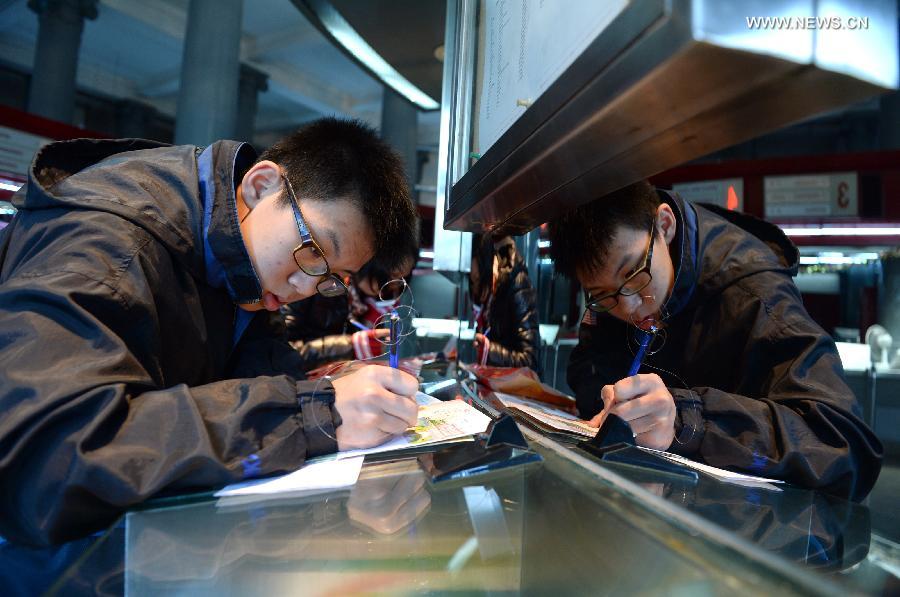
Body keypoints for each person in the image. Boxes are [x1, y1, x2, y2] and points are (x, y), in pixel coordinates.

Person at [0, 118, 421, 546]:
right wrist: (311, 414)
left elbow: (245, 370)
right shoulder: (107, 250)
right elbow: (45, 467)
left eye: (332, 277)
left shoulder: (234, 265)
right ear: (261, 186)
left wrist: (325, 389)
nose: (305, 287)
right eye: (313, 251)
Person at [548, 180, 882, 500]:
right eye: (602, 295)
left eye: (634, 274)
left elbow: (845, 449)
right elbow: (588, 369)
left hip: (754, 538)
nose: (629, 306)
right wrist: (614, 405)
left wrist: (688, 421)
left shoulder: (756, 295)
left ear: (664, 226)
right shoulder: (615, 295)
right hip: (658, 516)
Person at [281, 248, 417, 369]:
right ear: (369, 263)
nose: (395, 285)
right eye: (391, 276)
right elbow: (281, 355)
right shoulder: (314, 285)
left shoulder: (370, 304)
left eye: (402, 278)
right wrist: (350, 346)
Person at [469, 233, 540, 372]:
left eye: (478, 280)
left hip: (519, 390)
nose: (475, 288)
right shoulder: (490, 297)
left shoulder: (517, 283)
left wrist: (489, 351)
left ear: (490, 269)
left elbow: (530, 360)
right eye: (472, 281)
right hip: (497, 386)